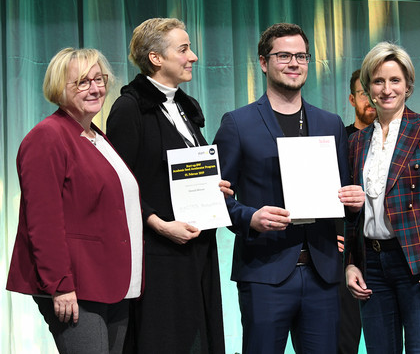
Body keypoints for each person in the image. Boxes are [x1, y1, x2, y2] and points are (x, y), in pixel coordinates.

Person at [213, 22, 364, 354]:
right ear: (264, 62)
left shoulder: (330, 123)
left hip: (322, 273)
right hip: (265, 274)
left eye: (301, 56)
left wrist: (354, 200)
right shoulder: (237, 123)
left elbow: (342, 191)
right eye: (284, 56)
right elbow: (216, 195)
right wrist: (249, 217)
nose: (294, 63)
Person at [6, 47, 143, 353]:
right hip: (76, 285)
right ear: (60, 88)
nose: (95, 88)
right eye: (82, 82)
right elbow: (43, 222)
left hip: (111, 282)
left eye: (99, 79)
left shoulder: (96, 136)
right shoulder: (48, 136)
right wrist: (60, 285)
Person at [106, 18, 230, 354]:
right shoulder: (130, 108)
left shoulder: (185, 108)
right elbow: (118, 186)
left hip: (197, 250)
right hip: (159, 257)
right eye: (184, 49)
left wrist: (214, 187)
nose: (194, 57)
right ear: (156, 58)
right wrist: (157, 223)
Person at [344, 41, 420, 353]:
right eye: (378, 81)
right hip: (372, 266)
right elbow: (353, 212)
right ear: (368, 87)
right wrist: (352, 263)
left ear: (408, 85)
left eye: (395, 80)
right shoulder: (356, 142)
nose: (386, 89)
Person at [337, 68, 373, 354]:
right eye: (364, 92)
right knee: (344, 339)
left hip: (393, 252)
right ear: (352, 98)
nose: (372, 98)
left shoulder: (407, 140)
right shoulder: (341, 142)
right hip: (347, 256)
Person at [345, 69, 376, 137]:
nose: (370, 101)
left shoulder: (393, 137)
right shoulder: (343, 138)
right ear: (352, 100)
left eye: (375, 93)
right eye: (364, 94)